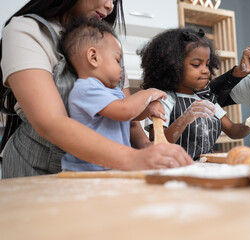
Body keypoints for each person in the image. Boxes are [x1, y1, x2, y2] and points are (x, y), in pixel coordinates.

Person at [0, 0, 192, 178]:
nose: (110, 6)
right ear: (92, 57)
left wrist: (146, 147)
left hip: (100, 172)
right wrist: (132, 158)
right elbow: (51, 122)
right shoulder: (28, 30)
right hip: (35, 171)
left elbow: (127, 118)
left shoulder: (107, 43)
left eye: (115, 1)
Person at [60, 18, 171, 171]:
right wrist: (148, 93)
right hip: (87, 169)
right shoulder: (86, 88)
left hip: (110, 166)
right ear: (93, 57)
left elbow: (128, 116)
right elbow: (124, 111)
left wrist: (147, 110)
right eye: (117, 60)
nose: (121, 69)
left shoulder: (112, 91)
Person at [139, 28, 250, 160]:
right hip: (174, 167)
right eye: (196, 65)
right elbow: (158, 142)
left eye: (207, 64)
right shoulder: (163, 100)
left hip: (204, 167)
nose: (205, 71)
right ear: (173, 66)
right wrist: (185, 118)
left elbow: (233, 131)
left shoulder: (208, 99)